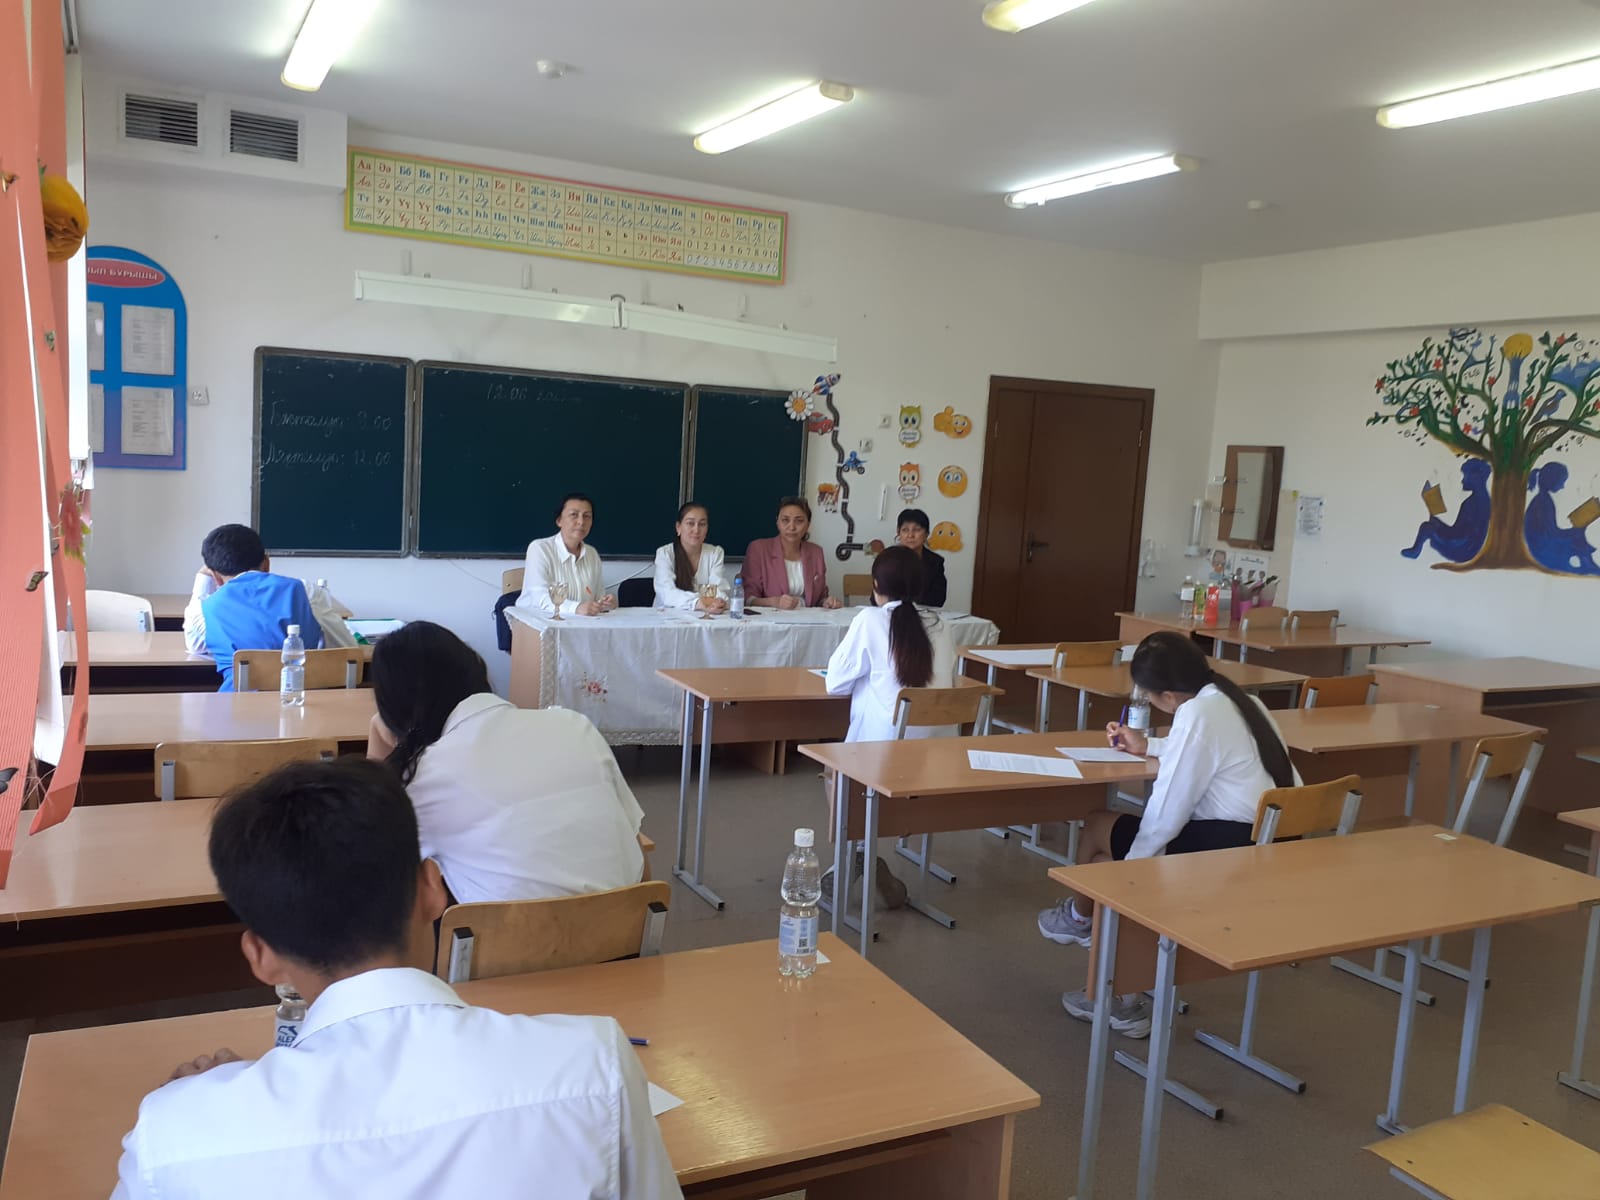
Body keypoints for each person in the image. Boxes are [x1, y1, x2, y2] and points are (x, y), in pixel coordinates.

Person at [111, 757, 679, 1199]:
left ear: (261, 957)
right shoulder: (593, 1061)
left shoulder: (175, 1135)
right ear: (433, 888)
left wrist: (210, 1101)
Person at [1036, 631, 1298, 1038]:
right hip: (1275, 849)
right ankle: (1110, 976)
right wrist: (1149, 746)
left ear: (1169, 697)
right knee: (1104, 865)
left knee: (1100, 835)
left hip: (1231, 857)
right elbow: (1201, 749)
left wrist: (1130, 873)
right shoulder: (1242, 702)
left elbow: (1165, 813)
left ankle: (1084, 929)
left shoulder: (1197, 714)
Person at [367, 621, 645, 903]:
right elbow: (638, 852)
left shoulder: (427, 774)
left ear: (396, 709)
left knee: (420, 884)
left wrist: (378, 732)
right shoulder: (575, 725)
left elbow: (371, 855)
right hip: (629, 922)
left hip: (504, 931)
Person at [822, 545, 958, 909]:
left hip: (881, 757)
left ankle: (857, 854)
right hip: (938, 756)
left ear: (876, 585)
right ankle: (863, 855)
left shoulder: (870, 619)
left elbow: (834, 682)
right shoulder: (943, 626)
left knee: (833, 771)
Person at [180, 523, 322, 691]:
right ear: (266, 562)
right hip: (301, 697)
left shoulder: (208, 606)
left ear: (216, 577)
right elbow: (332, 644)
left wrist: (203, 578)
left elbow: (195, 645)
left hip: (236, 702)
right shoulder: (303, 590)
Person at [518, 492, 616, 617]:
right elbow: (539, 596)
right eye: (574, 515)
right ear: (559, 520)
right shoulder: (540, 548)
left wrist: (605, 603)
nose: (581, 522)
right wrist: (576, 608)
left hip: (578, 623)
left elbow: (597, 598)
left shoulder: (592, 554)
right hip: (536, 622)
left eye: (587, 516)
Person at [741, 496, 842, 609]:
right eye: (785, 520)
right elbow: (748, 600)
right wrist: (775, 602)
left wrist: (827, 602)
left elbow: (820, 597)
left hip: (808, 617)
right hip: (771, 617)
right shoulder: (758, 549)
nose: (792, 527)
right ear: (777, 522)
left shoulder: (816, 552)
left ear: (808, 525)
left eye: (799, 521)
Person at [1401, 459, 1492, 564]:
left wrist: (1440, 533)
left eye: (1466, 476)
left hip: (1463, 548)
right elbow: (1458, 528)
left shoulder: (1477, 502)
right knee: (1432, 524)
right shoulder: (1475, 500)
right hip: (1462, 543)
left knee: (1427, 527)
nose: (1462, 481)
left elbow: (1468, 535)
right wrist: (1435, 516)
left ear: (1475, 478)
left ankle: (1415, 551)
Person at [1525, 462, 1600, 575]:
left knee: (1577, 534)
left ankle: (1588, 565)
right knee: (1577, 535)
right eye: (1562, 482)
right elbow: (1552, 533)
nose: (1562, 486)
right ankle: (1587, 565)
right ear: (1553, 481)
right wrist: (1575, 531)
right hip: (1541, 549)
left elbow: (1550, 531)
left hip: (1541, 544)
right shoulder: (1543, 502)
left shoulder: (1543, 499)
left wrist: (1575, 530)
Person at [653, 501, 729, 612]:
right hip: (667, 616)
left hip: (705, 616)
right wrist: (698, 602)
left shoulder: (714, 553)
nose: (696, 530)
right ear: (678, 527)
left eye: (702, 524)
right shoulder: (665, 554)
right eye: (690, 523)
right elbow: (668, 593)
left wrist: (718, 601)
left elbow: (717, 589)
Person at [895, 507, 948, 607]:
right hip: (892, 612)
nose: (910, 535)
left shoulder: (935, 562)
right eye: (905, 530)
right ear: (898, 532)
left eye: (917, 530)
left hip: (924, 613)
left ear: (926, 533)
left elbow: (939, 598)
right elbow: (877, 596)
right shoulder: (887, 559)